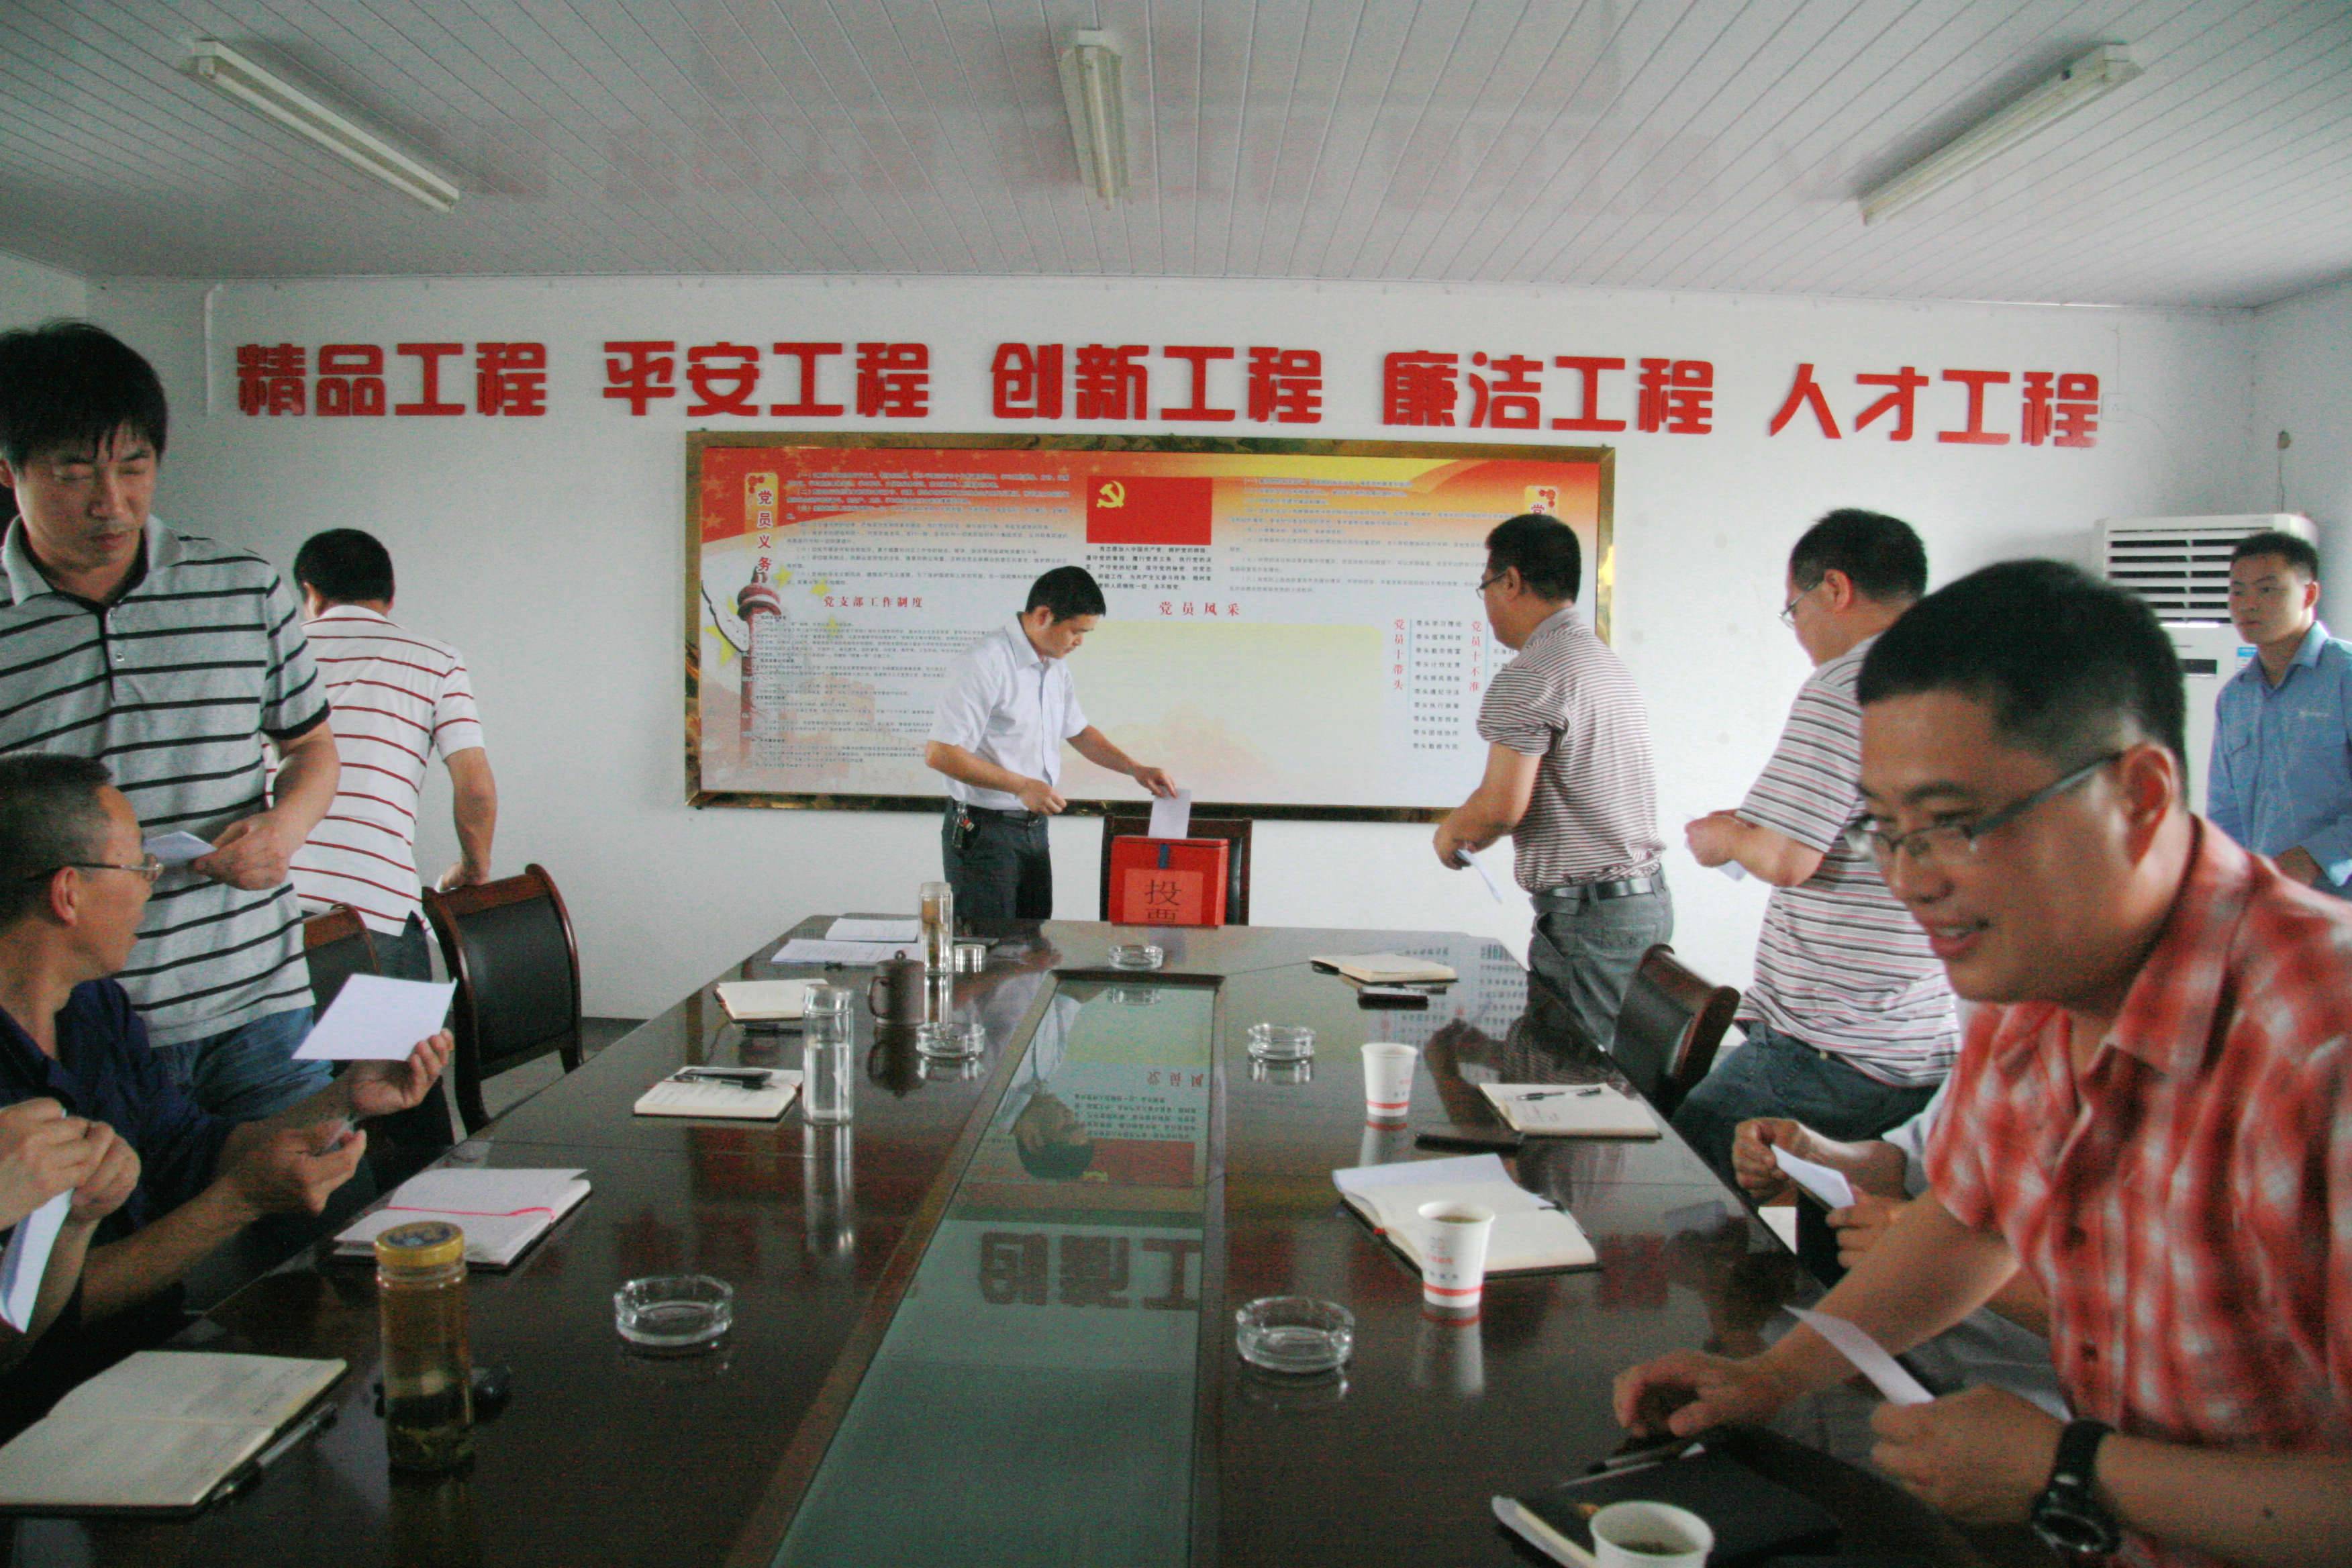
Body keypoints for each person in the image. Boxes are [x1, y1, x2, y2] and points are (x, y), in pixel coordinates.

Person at [1614, 560, 2352, 1568]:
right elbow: (1968, 1217)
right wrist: (1775, 1376)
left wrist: (2073, 1469)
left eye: (1956, 824)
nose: (1911, 881)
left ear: (2139, 796)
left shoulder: (2319, 1050)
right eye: (1887, 830)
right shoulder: (2037, 971)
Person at [0, 754, 448, 1422]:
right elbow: (41, 1315)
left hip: (163, 1354)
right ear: (68, 893)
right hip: (57, 1408)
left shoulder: (95, 1007)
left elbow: (189, 1148)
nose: (153, 884)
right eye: (140, 866)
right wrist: (239, 1201)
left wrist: (345, 1098)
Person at [0, 322, 339, 1120]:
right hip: (73, 1019)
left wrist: (283, 829)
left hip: (258, 999)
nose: (111, 501)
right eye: (74, 471)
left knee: (300, 1190)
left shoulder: (244, 588)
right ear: (8, 472)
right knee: (117, 1204)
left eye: (134, 466)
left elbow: (312, 747)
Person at [1674, 511, 1955, 1180]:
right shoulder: (1955, 679)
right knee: (1843, 1209)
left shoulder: (1849, 685)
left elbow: (1786, 857)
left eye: (1793, 609)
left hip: (1833, 1041)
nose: (1798, 630)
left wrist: (1723, 838)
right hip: (1918, 1034)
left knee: (1683, 1169)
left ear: (1835, 588)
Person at [1434, 513, 1667, 1048]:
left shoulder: (1533, 672)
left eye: (1486, 586)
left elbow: (1500, 807)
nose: (1487, 602)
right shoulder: (1599, 660)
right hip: (1637, 903)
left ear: (1511, 582)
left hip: (1592, 921)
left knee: (1570, 1077)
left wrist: (1451, 833)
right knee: (1572, 1067)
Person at [1732, 1091, 2064, 1418]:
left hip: (2000, 1399)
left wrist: (1929, 1252)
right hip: (1883, 1337)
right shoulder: (2005, 1067)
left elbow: (2093, 1322)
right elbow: (1910, 1163)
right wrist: (1814, 1153)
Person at [289, 528, 498, 976]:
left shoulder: (277, 656)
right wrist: (473, 866)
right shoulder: (437, 661)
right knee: (398, 1024)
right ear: (390, 595)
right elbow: (476, 789)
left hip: (273, 906)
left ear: (311, 592)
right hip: (377, 904)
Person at [924, 567, 1175, 921]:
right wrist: (1021, 786)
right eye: (1076, 631)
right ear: (1043, 616)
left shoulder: (1054, 665)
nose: (1080, 642)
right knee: (989, 944)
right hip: (983, 831)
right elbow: (941, 754)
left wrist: (1136, 769)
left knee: (1034, 940)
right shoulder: (984, 662)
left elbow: (1079, 732)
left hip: (1034, 828)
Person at [2208, 528, 2351, 897]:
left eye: (2267, 589)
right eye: (2238, 591)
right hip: (2268, 905)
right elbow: (2224, 813)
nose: (2248, 604)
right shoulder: (2235, 698)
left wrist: (2315, 857)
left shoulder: (2345, 676)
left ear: (2310, 594)